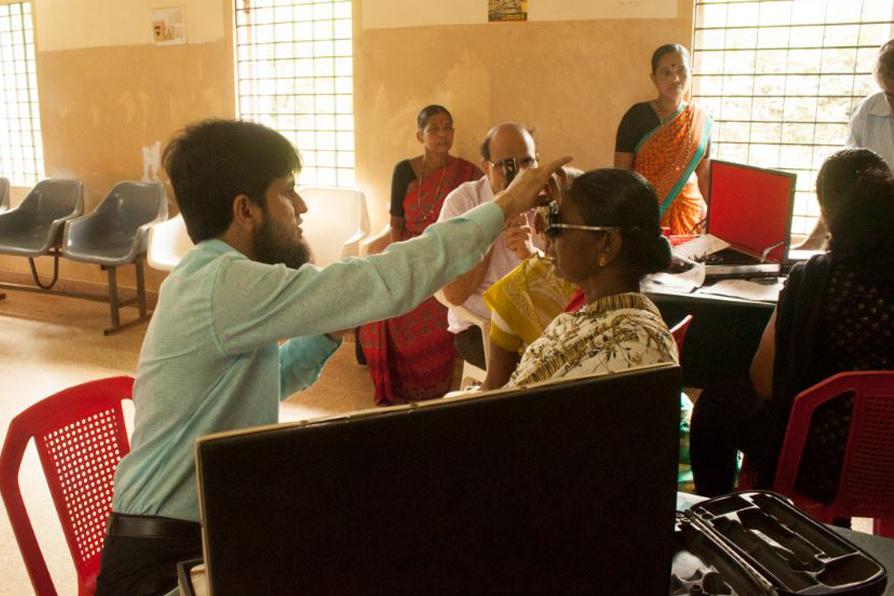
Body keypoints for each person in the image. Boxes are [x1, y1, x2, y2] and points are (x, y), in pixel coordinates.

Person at [94, 118, 570, 595]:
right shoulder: (220, 284)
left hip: (209, 530)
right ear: (245, 210)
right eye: (287, 192)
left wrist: (329, 326)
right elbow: (389, 277)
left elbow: (268, 378)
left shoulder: (222, 279)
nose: (300, 207)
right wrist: (504, 204)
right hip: (160, 567)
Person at [690, 148, 894, 500]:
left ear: (829, 214)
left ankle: (716, 516)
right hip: (887, 463)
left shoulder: (817, 278)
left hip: (819, 459)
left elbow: (765, 382)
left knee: (715, 404)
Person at [502, 168, 679, 389]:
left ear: (607, 245)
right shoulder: (573, 321)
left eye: (557, 226)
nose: (546, 235)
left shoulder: (636, 343)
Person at [358, 105, 482, 404]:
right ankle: (396, 381)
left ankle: (430, 384)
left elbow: (478, 222)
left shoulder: (468, 175)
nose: (443, 134)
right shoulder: (404, 170)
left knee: (434, 305)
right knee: (386, 298)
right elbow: (396, 224)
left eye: (448, 127)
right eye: (434, 129)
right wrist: (404, 260)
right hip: (409, 250)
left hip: (447, 255)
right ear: (420, 135)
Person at [437, 121, 539, 370]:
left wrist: (533, 255)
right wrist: (495, 220)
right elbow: (454, 294)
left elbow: (568, 282)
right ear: (486, 168)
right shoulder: (462, 203)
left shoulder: (551, 198)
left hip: (541, 320)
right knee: (533, 371)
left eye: (527, 162)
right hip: (481, 324)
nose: (519, 174)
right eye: (506, 165)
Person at [479, 167, 581, 390]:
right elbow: (495, 388)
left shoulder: (615, 293)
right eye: (542, 213)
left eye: (555, 216)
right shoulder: (520, 289)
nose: (540, 226)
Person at [798, 38, 894, 249]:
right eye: (890, 96)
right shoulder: (868, 111)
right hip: (870, 244)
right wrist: (813, 243)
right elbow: (843, 183)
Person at [614, 43, 712, 236]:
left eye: (681, 71)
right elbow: (622, 175)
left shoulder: (701, 121)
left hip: (690, 217)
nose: (674, 79)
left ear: (691, 73)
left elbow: (705, 177)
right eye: (665, 72)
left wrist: (718, 219)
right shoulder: (636, 116)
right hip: (646, 215)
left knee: (687, 264)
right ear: (654, 78)